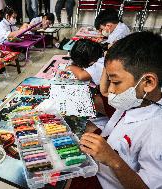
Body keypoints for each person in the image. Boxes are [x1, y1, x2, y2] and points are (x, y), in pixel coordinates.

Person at [69, 31, 162, 189]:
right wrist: (109, 57)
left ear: (148, 82)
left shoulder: (156, 134)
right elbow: (104, 91)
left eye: (116, 82)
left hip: (103, 181)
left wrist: (114, 161)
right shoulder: (137, 99)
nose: (110, 90)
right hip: (102, 157)